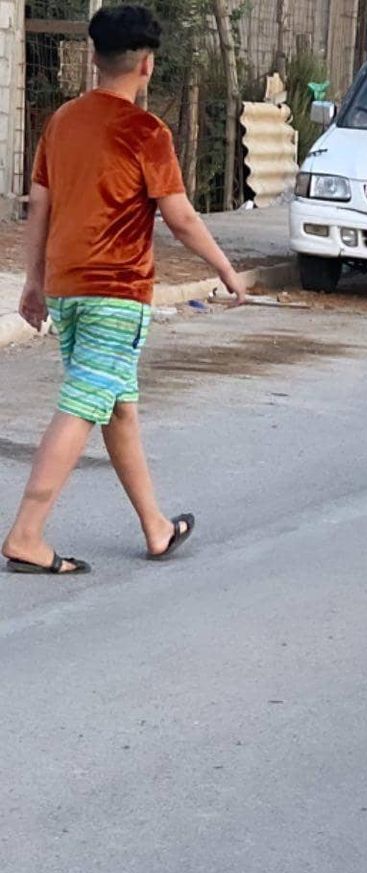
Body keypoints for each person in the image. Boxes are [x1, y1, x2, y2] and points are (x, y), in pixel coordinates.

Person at [2, 4, 246, 576]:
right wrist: (226, 269)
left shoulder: (63, 120)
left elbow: (40, 205)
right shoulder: (146, 132)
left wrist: (34, 281)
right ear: (147, 64)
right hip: (116, 292)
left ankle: (155, 527)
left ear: (94, 57)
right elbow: (180, 217)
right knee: (83, 404)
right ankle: (26, 535)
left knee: (117, 407)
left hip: (67, 288)